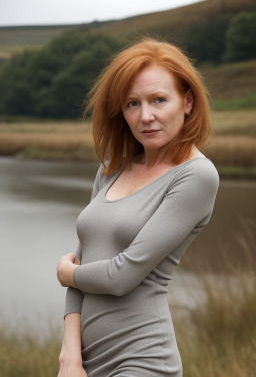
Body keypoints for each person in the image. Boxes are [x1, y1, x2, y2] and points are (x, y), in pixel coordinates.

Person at [57, 38, 219, 377]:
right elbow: (81, 264)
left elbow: (122, 275)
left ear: (187, 101)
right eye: (132, 104)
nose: (146, 116)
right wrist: (69, 359)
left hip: (143, 360)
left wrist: (68, 274)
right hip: (85, 364)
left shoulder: (196, 176)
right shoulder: (111, 168)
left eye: (159, 100)